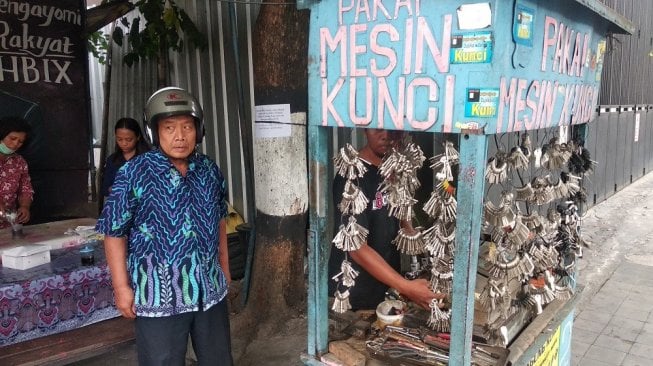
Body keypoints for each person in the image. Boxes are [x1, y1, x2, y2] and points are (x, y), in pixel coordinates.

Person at [95, 87, 233, 365]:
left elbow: (219, 220)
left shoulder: (208, 169)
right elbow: (114, 232)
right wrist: (122, 288)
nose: (180, 136)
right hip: (158, 295)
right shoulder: (134, 172)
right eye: (169, 128)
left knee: (218, 358)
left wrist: (225, 269)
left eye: (187, 127)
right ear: (153, 133)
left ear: (199, 130)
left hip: (210, 287)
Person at [328, 128, 444, 310]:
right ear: (365, 130)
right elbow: (357, 248)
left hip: (387, 285)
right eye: (378, 129)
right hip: (354, 295)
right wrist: (406, 287)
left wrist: (421, 250)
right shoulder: (351, 177)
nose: (386, 136)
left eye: (392, 130)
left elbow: (402, 217)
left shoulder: (394, 169)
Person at [100, 118, 150, 198]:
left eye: (129, 140)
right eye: (119, 139)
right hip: (120, 205)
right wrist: (117, 188)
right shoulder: (112, 160)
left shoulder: (148, 159)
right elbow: (105, 189)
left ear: (138, 137)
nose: (124, 143)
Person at [0, 116, 34, 230]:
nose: (15, 144)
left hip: (7, 225)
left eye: (20, 142)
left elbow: (26, 189)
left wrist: (25, 207)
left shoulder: (19, 162)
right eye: (12, 138)